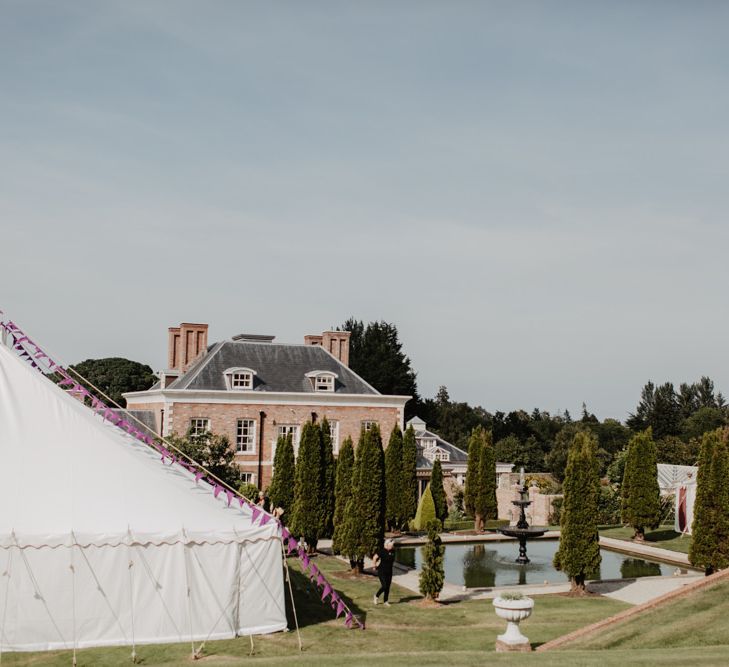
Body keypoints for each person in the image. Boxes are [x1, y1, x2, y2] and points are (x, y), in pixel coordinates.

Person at [372, 539, 396, 606]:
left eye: (392, 545)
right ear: (387, 545)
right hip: (381, 571)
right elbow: (374, 557)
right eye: (391, 545)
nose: (392, 546)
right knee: (384, 586)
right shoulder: (382, 551)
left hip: (389, 572)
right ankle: (376, 596)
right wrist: (374, 566)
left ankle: (386, 601)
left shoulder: (393, 551)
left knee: (388, 587)